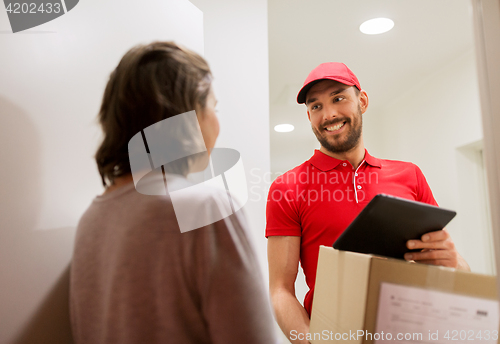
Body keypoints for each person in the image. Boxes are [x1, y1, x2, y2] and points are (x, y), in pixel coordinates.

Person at [70, 41, 277, 344]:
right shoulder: (206, 209)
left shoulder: (91, 219)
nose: (217, 123)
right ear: (185, 115)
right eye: (213, 107)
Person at [265, 62, 470, 344]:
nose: (329, 114)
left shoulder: (409, 175)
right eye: (316, 106)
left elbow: (449, 267)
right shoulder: (286, 187)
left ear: (362, 101)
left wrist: (455, 264)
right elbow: (280, 290)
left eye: (339, 98)